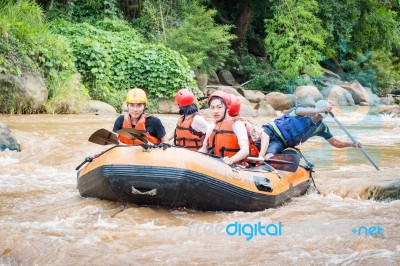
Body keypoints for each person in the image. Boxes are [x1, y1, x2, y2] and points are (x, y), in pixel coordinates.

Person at [257, 100, 361, 158]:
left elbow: (335, 142)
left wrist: (351, 144)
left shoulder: (321, 128)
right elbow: (300, 111)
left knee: (269, 155)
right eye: (317, 113)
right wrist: (319, 109)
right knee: (254, 145)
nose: (317, 116)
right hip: (271, 130)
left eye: (320, 115)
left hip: (281, 142)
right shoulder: (303, 110)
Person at [198, 90, 249, 165]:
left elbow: (245, 150)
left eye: (219, 107)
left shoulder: (237, 124)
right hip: (217, 165)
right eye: (212, 108)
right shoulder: (211, 126)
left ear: (227, 107)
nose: (215, 111)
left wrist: (231, 160)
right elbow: (204, 149)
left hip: (235, 166)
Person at [228, 94, 270, 160]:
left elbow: (265, 137)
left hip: (244, 162)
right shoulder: (216, 124)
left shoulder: (244, 124)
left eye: (219, 107)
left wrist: (261, 156)